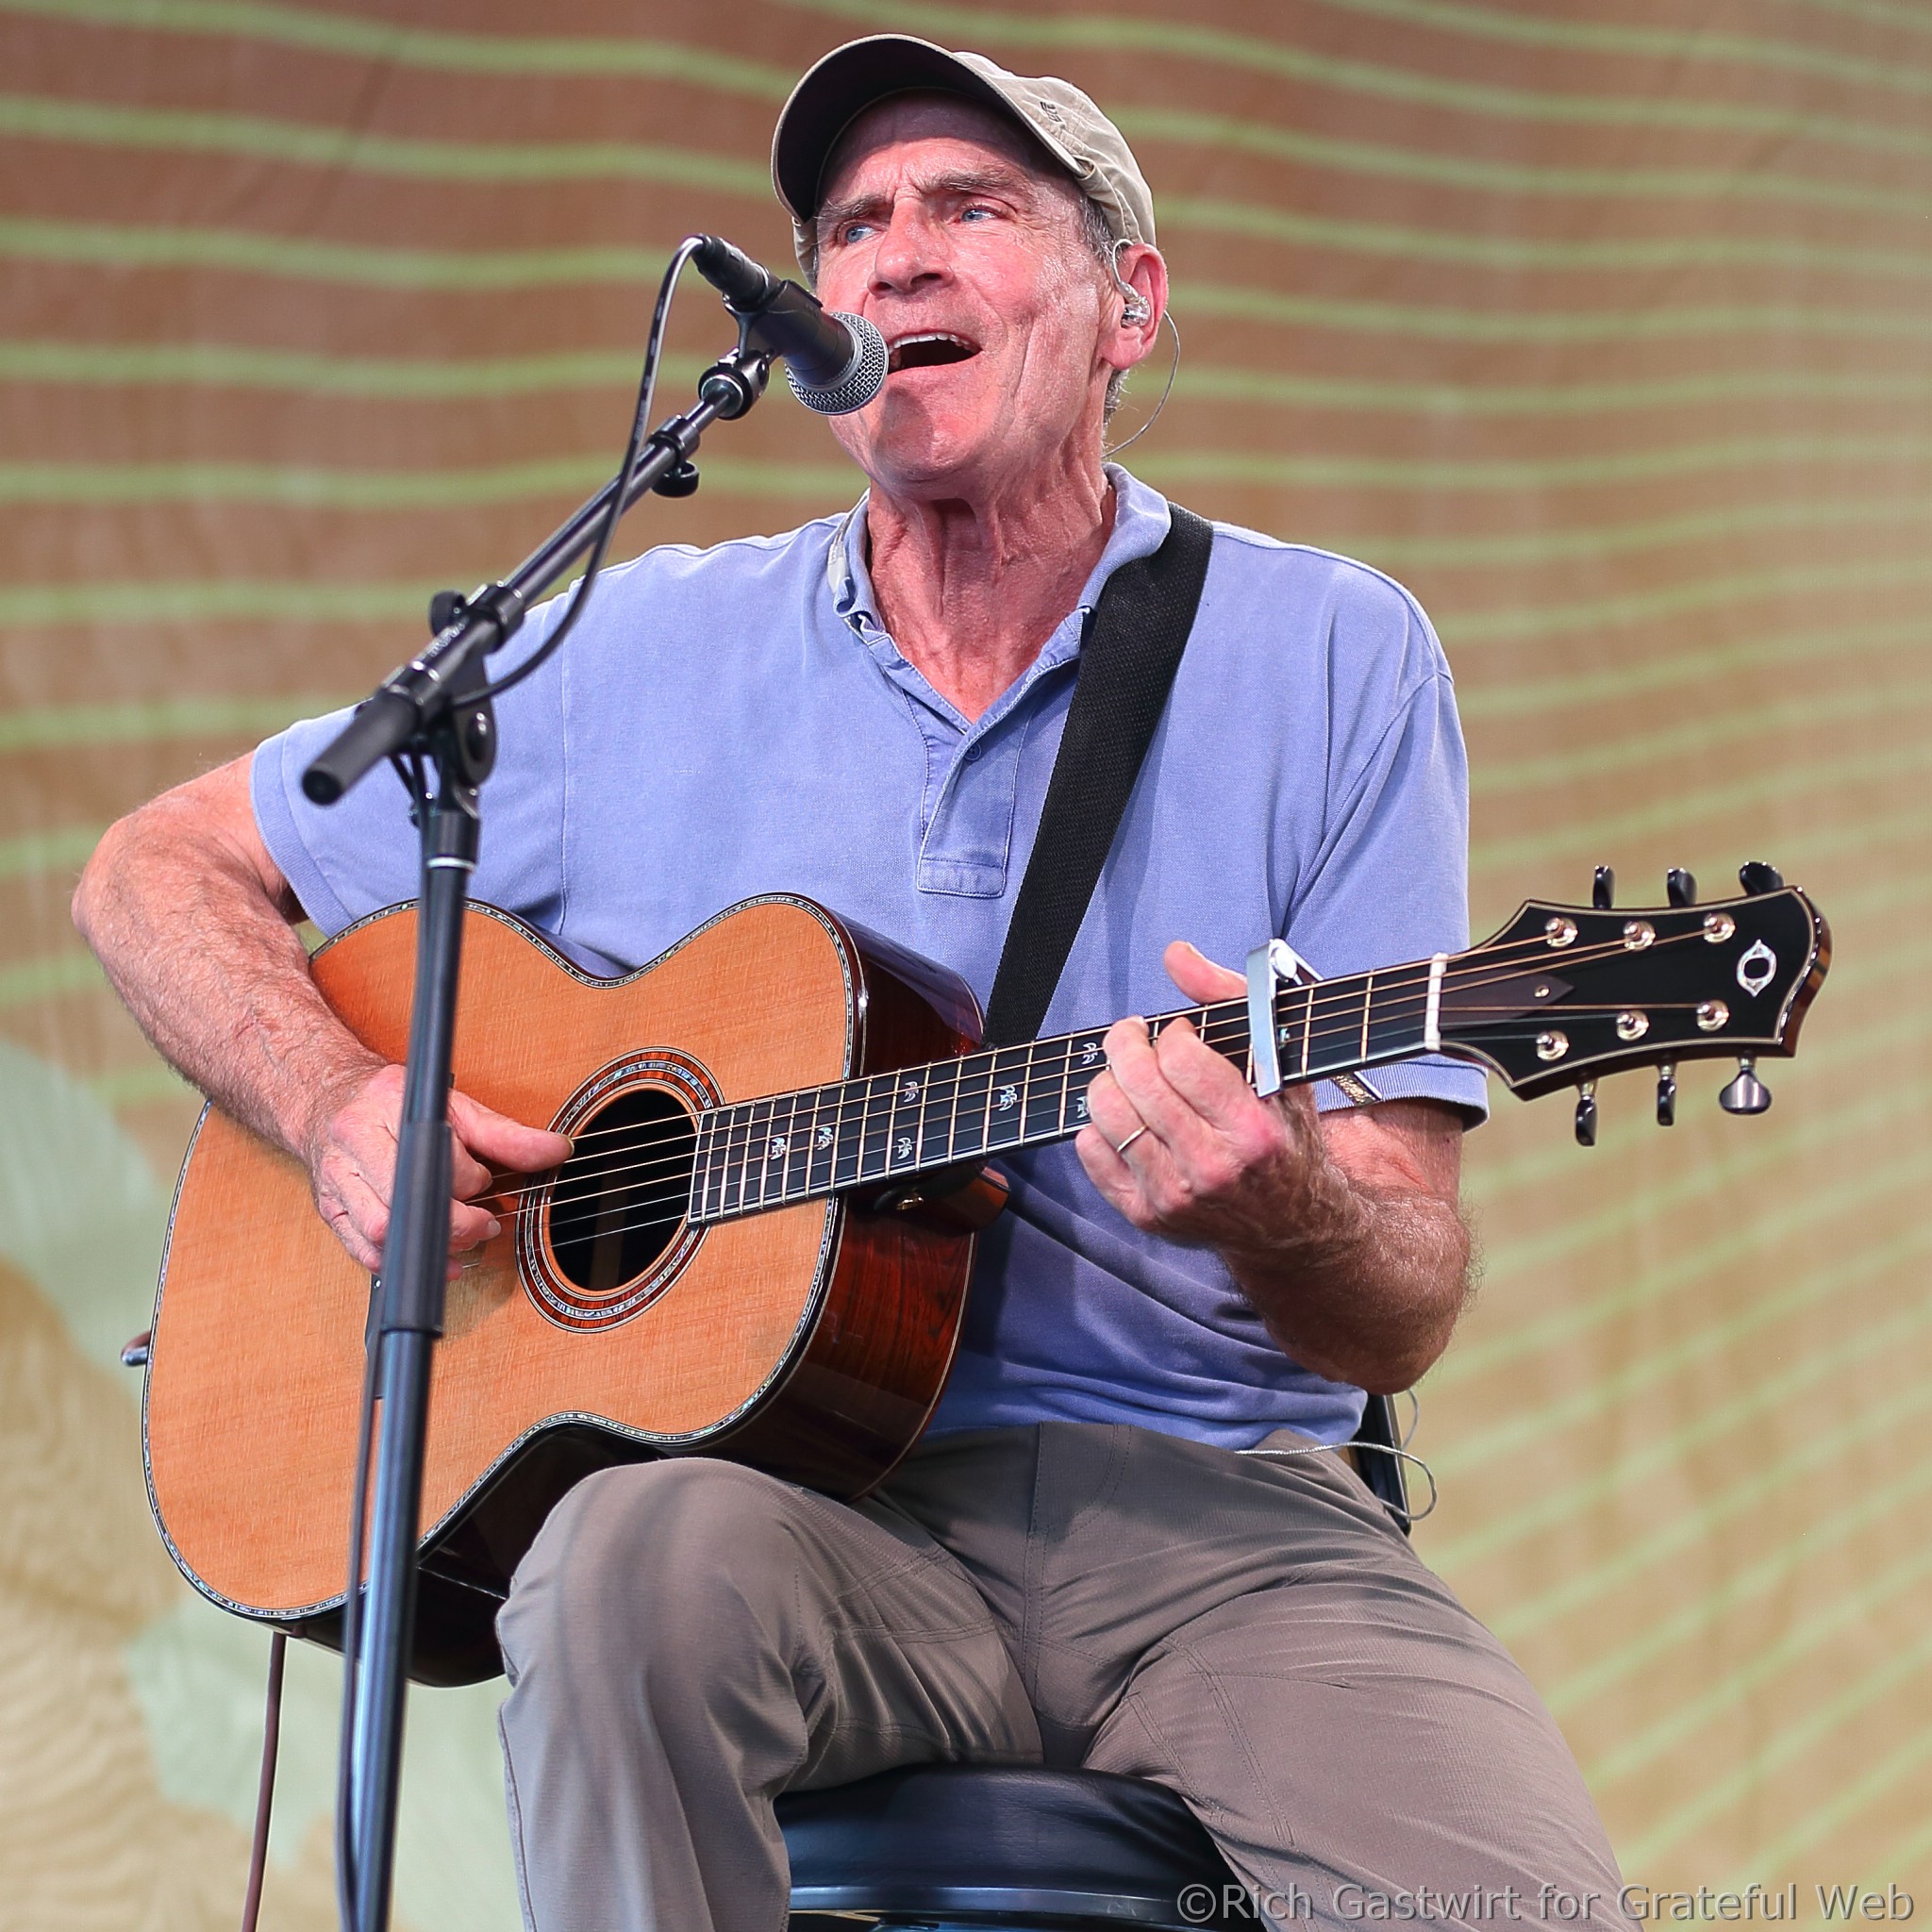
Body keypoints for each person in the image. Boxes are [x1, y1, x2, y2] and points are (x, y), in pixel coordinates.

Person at [75, 35, 1624, 1931]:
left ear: (1128, 303)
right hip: (806, 1512)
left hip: (1220, 1529)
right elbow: (153, 869)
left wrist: (1274, 1202)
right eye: (852, 224)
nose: (894, 258)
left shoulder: (1328, 654)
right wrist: (334, 1099)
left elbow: (1400, 1295)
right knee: (611, 1564)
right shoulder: (636, 652)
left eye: (971, 208)